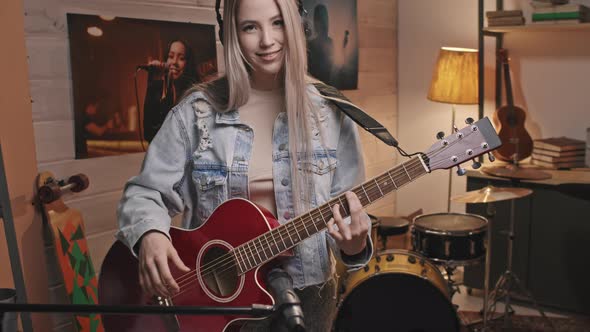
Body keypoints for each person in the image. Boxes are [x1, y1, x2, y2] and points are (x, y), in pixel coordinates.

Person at [116, 0, 372, 330]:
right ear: (231, 35)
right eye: (250, 27)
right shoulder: (196, 113)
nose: (267, 40)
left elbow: (349, 224)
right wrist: (150, 233)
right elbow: (143, 194)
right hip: (216, 302)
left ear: (296, 26)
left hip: (308, 300)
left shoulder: (333, 114)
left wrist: (354, 245)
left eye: (278, 23)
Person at [142, 39, 198, 142]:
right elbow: (149, 134)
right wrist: (155, 83)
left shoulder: (194, 96)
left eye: (181, 58)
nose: (174, 62)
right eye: (171, 56)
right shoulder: (168, 93)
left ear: (188, 63)